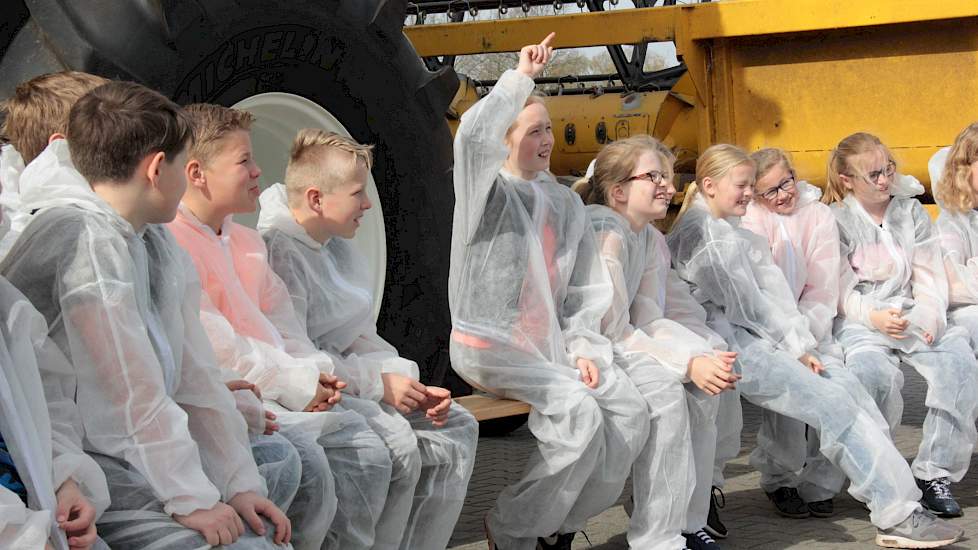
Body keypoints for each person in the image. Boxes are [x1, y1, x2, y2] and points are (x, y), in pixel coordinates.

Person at [0, 81, 293, 549]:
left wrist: (237, 483)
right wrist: (193, 498)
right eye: (183, 164)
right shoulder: (86, 243)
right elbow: (127, 396)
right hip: (84, 461)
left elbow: (194, 375)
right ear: (158, 169)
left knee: (266, 506)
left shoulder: (149, 240)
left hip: (120, 455)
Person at [668, 142, 962, 548]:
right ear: (710, 185)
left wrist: (801, 342)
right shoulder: (706, 235)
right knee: (833, 404)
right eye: (744, 186)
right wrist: (797, 348)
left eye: (754, 186)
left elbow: (768, 299)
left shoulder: (726, 228)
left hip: (751, 339)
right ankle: (895, 513)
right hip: (729, 345)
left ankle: (897, 507)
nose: (751, 195)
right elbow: (750, 310)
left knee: (846, 396)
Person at [167, 103, 429, 550]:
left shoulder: (245, 243)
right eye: (243, 161)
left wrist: (313, 375)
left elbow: (285, 329)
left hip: (285, 388)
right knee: (339, 456)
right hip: (237, 398)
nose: (257, 171)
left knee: (391, 442)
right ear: (197, 173)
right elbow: (220, 349)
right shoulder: (175, 245)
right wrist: (297, 381)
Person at [449, 33, 650, 550]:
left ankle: (553, 523)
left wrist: (582, 347)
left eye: (551, 130)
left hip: (549, 348)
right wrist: (520, 78)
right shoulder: (485, 190)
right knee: (579, 412)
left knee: (627, 412)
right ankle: (514, 526)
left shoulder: (562, 203)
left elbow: (582, 292)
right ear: (506, 136)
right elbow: (472, 138)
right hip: (489, 346)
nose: (548, 140)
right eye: (534, 130)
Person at [257, 128, 478, 549]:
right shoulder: (281, 254)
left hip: (349, 379)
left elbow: (357, 332)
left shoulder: (333, 245)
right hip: (313, 390)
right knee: (393, 446)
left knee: (455, 425)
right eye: (358, 193)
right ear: (317, 199)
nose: (368, 204)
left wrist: (403, 380)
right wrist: (378, 383)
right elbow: (297, 355)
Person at [573, 135, 738, 550]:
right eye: (654, 176)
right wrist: (685, 362)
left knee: (703, 388)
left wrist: (702, 352)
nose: (668, 185)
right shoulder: (605, 234)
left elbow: (650, 315)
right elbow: (609, 330)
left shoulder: (647, 236)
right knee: (666, 395)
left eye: (667, 176)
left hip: (617, 344)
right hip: (584, 350)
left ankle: (684, 520)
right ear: (618, 191)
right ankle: (655, 538)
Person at [823, 131, 978, 517]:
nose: (883, 180)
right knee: (871, 375)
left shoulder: (910, 213)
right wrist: (871, 316)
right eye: (873, 174)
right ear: (847, 180)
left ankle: (933, 472)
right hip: (861, 320)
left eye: (888, 169)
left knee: (958, 365)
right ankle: (883, 478)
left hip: (911, 311)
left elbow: (929, 276)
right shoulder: (836, 221)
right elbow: (837, 288)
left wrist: (926, 315)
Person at [741, 148, 892, 519]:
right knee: (788, 409)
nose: (783, 195)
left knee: (839, 395)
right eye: (770, 191)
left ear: (795, 175)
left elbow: (823, 285)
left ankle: (822, 482)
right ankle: (780, 479)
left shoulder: (818, 214)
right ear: (756, 196)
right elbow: (757, 289)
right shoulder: (749, 219)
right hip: (768, 330)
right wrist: (785, 339)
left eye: (786, 183)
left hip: (815, 327)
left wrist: (805, 338)